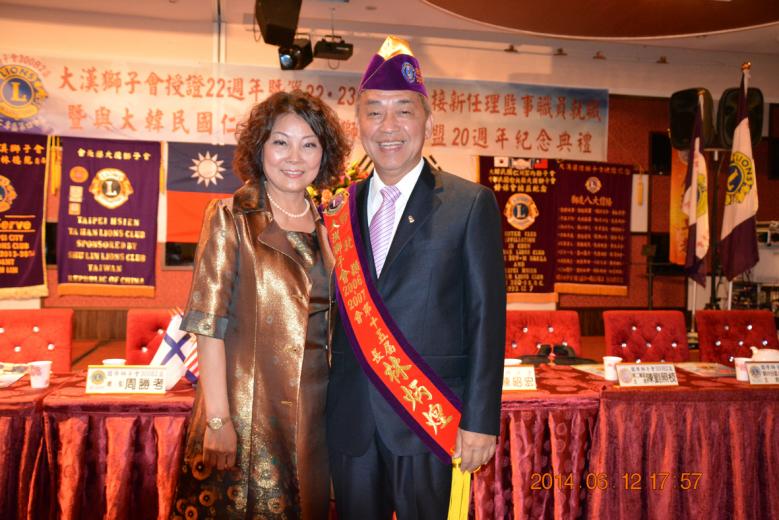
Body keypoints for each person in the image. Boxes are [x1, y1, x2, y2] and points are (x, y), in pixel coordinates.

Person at [325, 36, 507, 519]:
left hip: (430, 420)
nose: (388, 126)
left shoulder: (469, 204)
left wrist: (481, 420)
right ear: (359, 123)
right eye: (374, 112)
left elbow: (486, 319)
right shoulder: (337, 210)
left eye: (403, 111)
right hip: (351, 423)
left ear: (428, 121)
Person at [171, 90, 349, 519]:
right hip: (247, 410)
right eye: (280, 142)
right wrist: (218, 419)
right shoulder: (231, 216)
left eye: (309, 144)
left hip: (318, 412)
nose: (295, 157)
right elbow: (208, 325)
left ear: (324, 155)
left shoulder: (331, 226)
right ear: (260, 148)